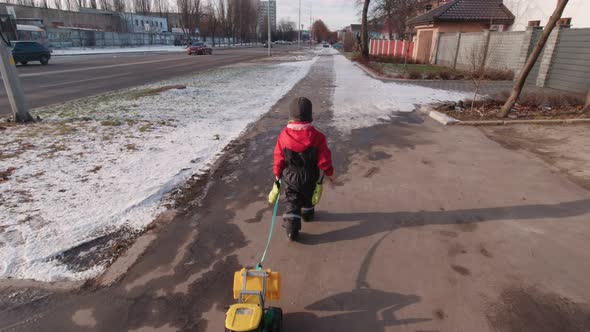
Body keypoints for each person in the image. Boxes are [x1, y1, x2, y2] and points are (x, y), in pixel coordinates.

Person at [273, 97, 334, 240]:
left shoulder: (283, 136)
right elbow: (325, 160)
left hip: (291, 177)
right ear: (310, 116)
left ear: (290, 117)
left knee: (292, 201)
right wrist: (330, 173)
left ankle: (291, 229)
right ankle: (307, 214)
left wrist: (277, 173)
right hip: (310, 176)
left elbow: (278, 157)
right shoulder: (318, 137)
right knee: (308, 197)